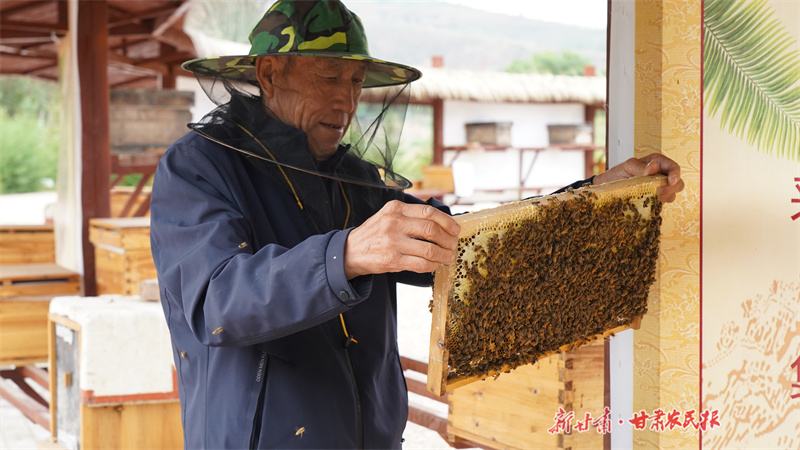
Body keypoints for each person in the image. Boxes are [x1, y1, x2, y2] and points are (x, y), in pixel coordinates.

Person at [149, 1, 684, 449]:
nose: (348, 100)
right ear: (269, 74)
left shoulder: (354, 179)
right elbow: (214, 302)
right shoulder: (197, 167)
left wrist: (599, 194)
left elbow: (465, 245)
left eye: (357, 81)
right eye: (330, 77)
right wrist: (349, 254)